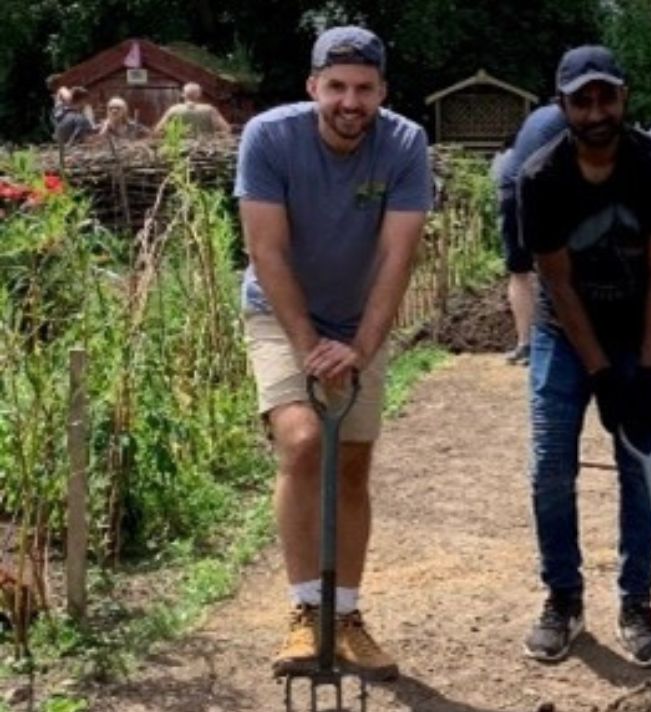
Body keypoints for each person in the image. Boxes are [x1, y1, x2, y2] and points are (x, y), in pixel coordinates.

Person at [235, 26, 432, 681]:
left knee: (350, 464)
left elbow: (397, 256)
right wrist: (309, 346)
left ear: (382, 92)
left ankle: (344, 616)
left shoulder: (404, 144)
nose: (351, 102)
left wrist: (360, 347)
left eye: (365, 89)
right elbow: (268, 249)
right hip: (281, 313)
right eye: (337, 87)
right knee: (300, 442)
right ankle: (303, 613)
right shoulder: (269, 137)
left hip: (357, 321)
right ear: (313, 86)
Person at [518, 45, 651, 667]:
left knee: (640, 467)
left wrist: (645, 373)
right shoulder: (541, 177)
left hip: (637, 329)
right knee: (550, 468)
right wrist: (599, 371)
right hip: (564, 335)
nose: (596, 111)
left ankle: (636, 603)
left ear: (624, 97)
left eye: (606, 97)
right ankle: (562, 596)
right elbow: (558, 285)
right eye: (581, 100)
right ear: (562, 104)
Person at [496, 101, 568, 365]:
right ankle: (558, 341)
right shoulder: (569, 119)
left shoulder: (540, 115)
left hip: (509, 187)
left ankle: (525, 345)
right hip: (534, 189)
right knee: (558, 264)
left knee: (519, 270)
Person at [155, 82, 232, 137]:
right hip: (205, 149)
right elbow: (227, 129)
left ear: (183, 95)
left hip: (180, 149)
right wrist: (214, 135)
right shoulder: (209, 110)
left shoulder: (173, 110)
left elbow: (158, 131)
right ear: (199, 95)